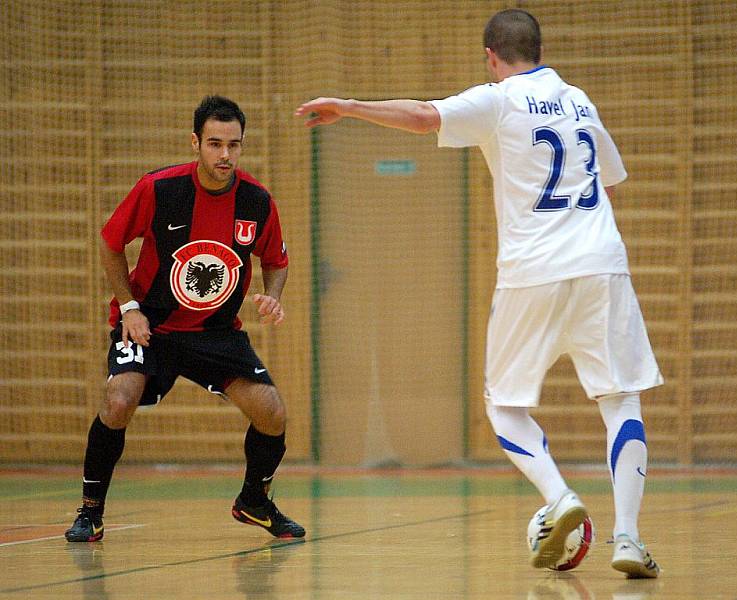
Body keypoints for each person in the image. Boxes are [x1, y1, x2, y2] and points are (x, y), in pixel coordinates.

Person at [295, 9, 661, 578]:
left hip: (532, 269)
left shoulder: (501, 99)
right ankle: (630, 539)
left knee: (505, 407)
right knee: (621, 400)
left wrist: (348, 107)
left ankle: (560, 498)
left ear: (491, 55)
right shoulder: (581, 101)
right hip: (602, 265)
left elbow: (422, 116)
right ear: (539, 48)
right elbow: (607, 182)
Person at [65, 95, 305, 543]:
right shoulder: (159, 189)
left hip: (215, 332)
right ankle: (90, 511)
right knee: (118, 401)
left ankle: (254, 501)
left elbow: (277, 260)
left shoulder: (256, 200)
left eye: (233, 145)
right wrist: (129, 307)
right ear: (195, 142)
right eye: (215, 144)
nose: (225, 155)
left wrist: (273, 296)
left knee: (272, 413)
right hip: (149, 323)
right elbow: (110, 242)